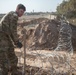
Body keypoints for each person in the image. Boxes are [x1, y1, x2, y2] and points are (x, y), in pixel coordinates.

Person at [0, 4, 26, 75]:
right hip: (2, 36)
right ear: (17, 9)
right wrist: (17, 42)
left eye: (23, 12)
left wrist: (15, 42)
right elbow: (13, 30)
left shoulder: (12, 14)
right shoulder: (14, 16)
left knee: (12, 54)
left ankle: (14, 71)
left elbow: (10, 31)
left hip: (6, 36)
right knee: (4, 60)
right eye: (21, 11)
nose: (22, 14)